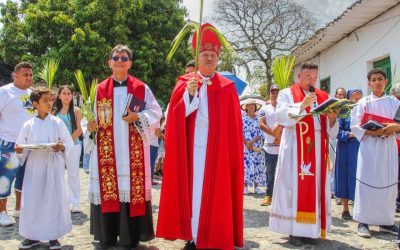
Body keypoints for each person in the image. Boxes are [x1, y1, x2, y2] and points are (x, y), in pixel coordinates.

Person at [156, 23, 244, 250]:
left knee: (217, 194)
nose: (209, 59)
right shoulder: (185, 83)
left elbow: (233, 127)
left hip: (219, 150)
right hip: (192, 149)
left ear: (218, 59)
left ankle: (215, 234)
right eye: (204, 54)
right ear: (197, 57)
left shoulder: (227, 87)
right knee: (193, 193)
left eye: (212, 55)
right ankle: (193, 236)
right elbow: (174, 119)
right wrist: (190, 95)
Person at [87, 44, 162, 249]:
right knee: (108, 189)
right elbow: (90, 120)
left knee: (131, 190)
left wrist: (137, 116)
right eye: (116, 57)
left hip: (132, 154)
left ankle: (131, 238)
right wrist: (91, 126)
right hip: (107, 153)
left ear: (130, 63)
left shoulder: (141, 88)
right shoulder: (100, 89)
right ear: (109, 62)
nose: (120, 61)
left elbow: (156, 113)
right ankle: (107, 236)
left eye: (124, 58)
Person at [268, 63, 339, 246]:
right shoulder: (287, 93)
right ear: (299, 76)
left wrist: (332, 118)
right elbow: (281, 117)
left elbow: (331, 132)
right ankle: (294, 231)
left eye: (315, 77)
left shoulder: (322, 96)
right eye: (308, 76)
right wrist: (302, 105)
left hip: (316, 150)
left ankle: (310, 229)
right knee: (293, 187)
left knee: (314, 188)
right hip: (294, 146)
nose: (312, 80)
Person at [15, 86, 73, 249]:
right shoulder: (28, 125)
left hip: (52, 166)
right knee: (33, 200)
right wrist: (19, 150)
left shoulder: (57, 122)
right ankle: (32, 236)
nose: (49, 103)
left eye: (50, 100)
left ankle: (53, 235)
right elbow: (20, 146)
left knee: (53, 199)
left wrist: (60, 147)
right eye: (45, 100)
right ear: (35, 104)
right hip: (34, 167)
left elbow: (68, 144)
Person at [351, 68, 400, 238]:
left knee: (389, 184)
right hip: (369, 149)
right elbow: (355, 127)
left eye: (380, 78)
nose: (377, 82)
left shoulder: (395, 102)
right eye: (374, 79)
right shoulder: (363, 103)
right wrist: (374, 132)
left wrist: (396, 127)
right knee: (366, 182)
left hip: (388, 148)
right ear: (369, 83)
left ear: (386, 81)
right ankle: (363, 222)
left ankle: (386, 222)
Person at [0, 62, 35, 226]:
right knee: (5, 179)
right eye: (25, 75)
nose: (28, 78)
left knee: (24, 179)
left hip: (28, 145)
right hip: (9, 144)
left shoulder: (33, 94)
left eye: (30, 75)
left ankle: (19, 209)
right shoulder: (5, 92)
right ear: (15, 75)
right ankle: (2, 212)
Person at [53, 85, 83, 212]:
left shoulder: (76, 110)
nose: (66, 96)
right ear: (59, 96)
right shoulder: (54, 112)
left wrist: (67, 141)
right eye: (64, 93)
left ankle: (75, 202)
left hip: (74, 145)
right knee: (58, 174)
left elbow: (79, 130)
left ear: (72, 96)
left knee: (73, 174)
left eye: (69, 93)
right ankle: (60, 201)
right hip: (59, 147)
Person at [334, 88, 363, 220]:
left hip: (361, 147)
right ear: (349, 98)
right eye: (354, 98)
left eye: (359, 98)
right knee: (344, 177)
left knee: (360, 177)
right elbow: (337, 131)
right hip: (345, 147)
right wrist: (351, 134)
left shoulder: (364, 111)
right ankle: (345, 209)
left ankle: (360, 209)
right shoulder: (342, 112)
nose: (357, 101)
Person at [259, 84, 280, 206]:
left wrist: (280, 137)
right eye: (273, 92)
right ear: (269, 93)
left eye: (277, 92)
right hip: (269, 147)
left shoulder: (284, 108)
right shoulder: (264, 109)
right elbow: (261, 124)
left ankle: (281, 197)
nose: (275, 94)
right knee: (270, 172)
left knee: (282, 172)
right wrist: (273, 133)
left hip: (282, 146)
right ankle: (269, 195)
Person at [242, 99, 265, 194]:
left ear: (255, 107)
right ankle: (245, 187)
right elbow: (240, 131)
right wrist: (247, 143)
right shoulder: (242, 119)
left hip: (256, 144)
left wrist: (252, 142)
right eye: (249, 105)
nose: (251, 106)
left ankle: (256, 187)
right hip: (245, 145)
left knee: (257, 164)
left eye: (253, 105)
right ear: (246, 107)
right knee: (245, 165)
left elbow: (261, 132)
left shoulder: (259, 119)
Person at [330, 87, 347, 205]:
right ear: (335, 95)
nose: (341, 96)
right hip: (333, 139)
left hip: (343, 141)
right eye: (339, 94)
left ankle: (342, 193)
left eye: (343, 94)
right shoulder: (331, 108)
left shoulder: (347, 109)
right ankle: (333, 190)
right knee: (332, 166)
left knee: (341, 166)